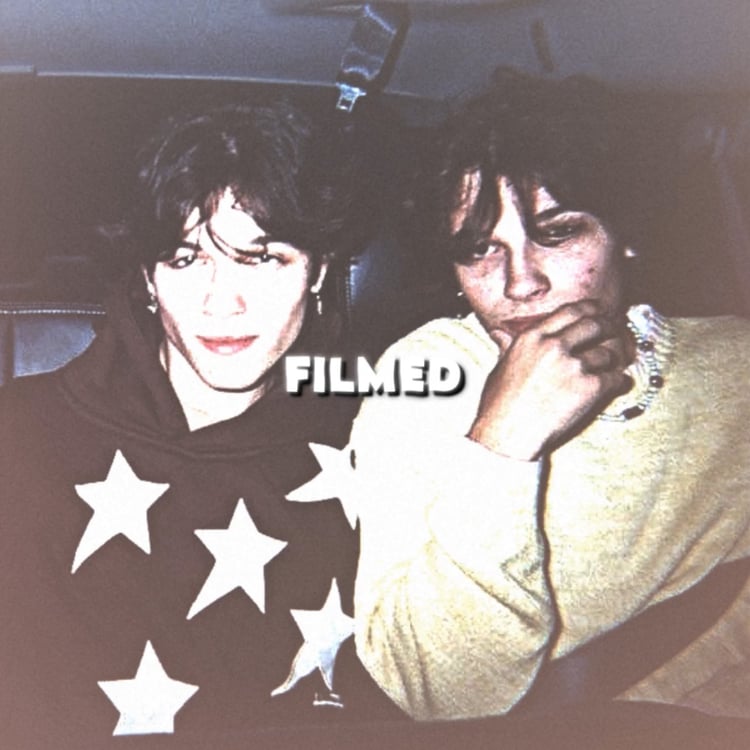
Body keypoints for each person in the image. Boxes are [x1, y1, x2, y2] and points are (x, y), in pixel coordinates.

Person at [348, 71, 750, 722]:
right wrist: (502, 446)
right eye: (480, 249)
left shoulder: (736, 367)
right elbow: (439, 698)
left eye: (558, 233)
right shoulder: (424, 376)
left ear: (624, 232)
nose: (520, 282)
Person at [0, 99, 399, 748]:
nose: (222, 301)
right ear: (147, 278)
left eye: (261, 258)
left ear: (319, 271)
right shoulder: (19, 439)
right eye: (186, 259)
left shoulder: (378, 441)